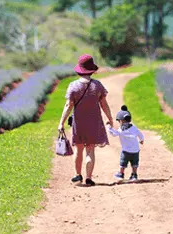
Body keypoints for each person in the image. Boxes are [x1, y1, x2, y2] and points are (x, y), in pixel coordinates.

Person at [58, 54, 113, 186]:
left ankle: (78, 175)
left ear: (80, 70)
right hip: (94, 122)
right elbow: (104, 104)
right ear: (91, 70)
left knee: (78, 149)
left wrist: (61, 122)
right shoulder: (97, 85)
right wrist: (110, 118)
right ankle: (89, 177)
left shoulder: (73, 86)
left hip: (79, 123)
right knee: (90, 150)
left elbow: (68, 105)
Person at [107, 105, 144, 181]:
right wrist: (141, 140)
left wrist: (108, 128)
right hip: (135, 150)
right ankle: (134, 175)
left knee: (123, 163)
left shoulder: (121, 130)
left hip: (126, 151)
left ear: (121, 121)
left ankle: (121, 174)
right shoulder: (134, 127)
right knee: (135, 164)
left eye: (119, 121)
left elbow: (114, 133)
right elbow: (140, 134)